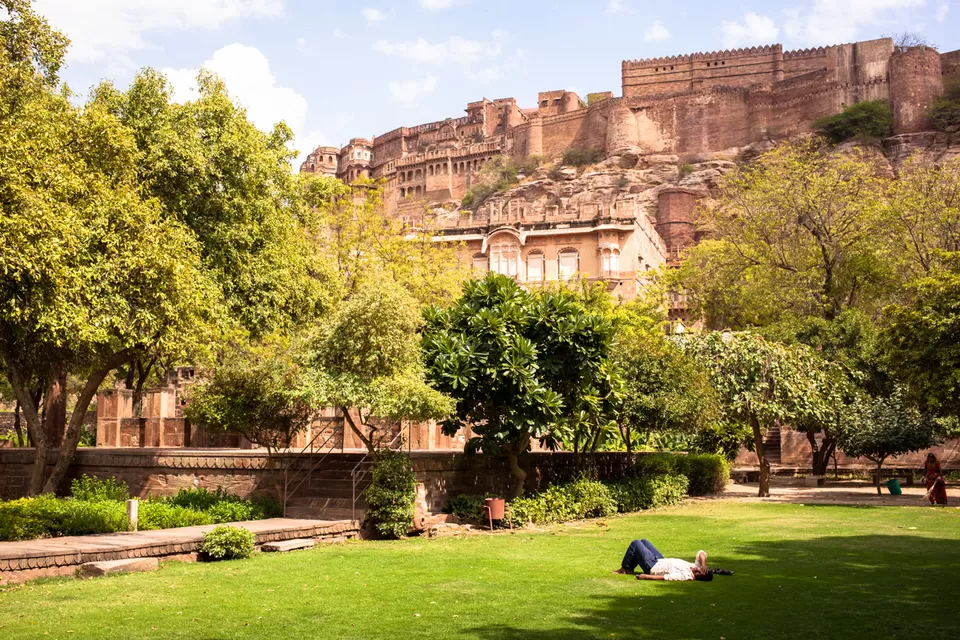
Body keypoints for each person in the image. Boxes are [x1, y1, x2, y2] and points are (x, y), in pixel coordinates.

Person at [613, 538, 713, 581]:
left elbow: (665, 577)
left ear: (701, 574)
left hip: (653, 566)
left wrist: (646, 576)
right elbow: (701, 553)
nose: (699, 568)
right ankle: (629, 569)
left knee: (636, 543)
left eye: (701, 570)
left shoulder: (685, 576)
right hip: (660, 559)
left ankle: (624, 569)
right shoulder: (696, 566)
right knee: (644, 541)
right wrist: (703, 564)